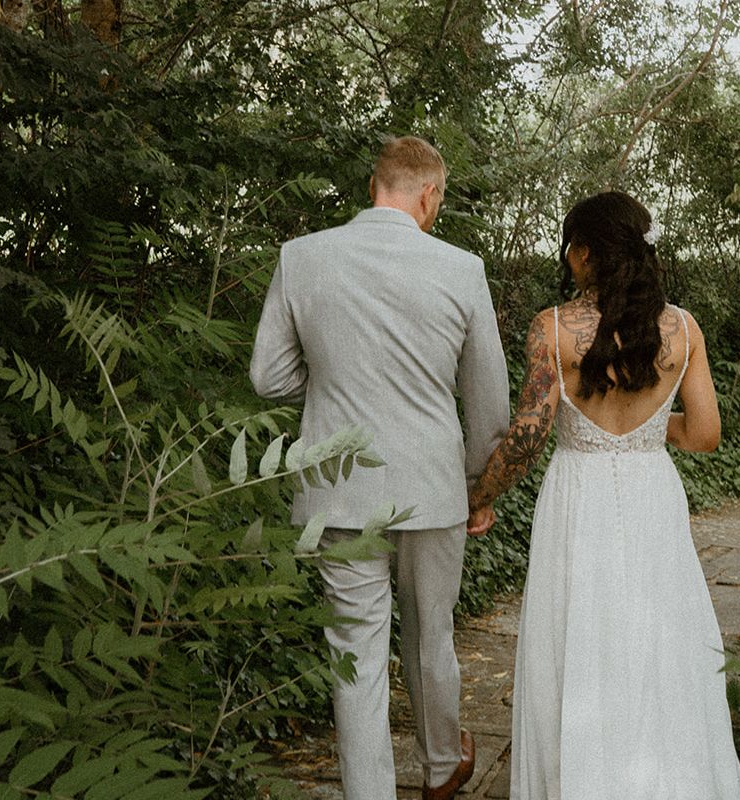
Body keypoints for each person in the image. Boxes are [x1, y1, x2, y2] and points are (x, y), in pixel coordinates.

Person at [249, 135, 510, 800]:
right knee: (431, 633)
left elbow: (268, 376)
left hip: (337, 487)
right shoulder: (460, 268)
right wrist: (482, 485)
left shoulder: (302, 257)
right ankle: (441, 766)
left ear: (374, 188)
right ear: (427, 195)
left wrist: (335, 377)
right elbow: (487, 400)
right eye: (438, 201)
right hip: (432, 484)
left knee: (356, 654)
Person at [466, 191, 740, 799]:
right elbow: (704, 434)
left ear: (586, 252)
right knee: (660, 641)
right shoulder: (681, 329)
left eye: (571, 248)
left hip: (578, 496)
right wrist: (652, 427)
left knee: (574, 640)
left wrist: (481, 496)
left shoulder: (552, 328)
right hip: (652, 494)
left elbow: (530, 432)